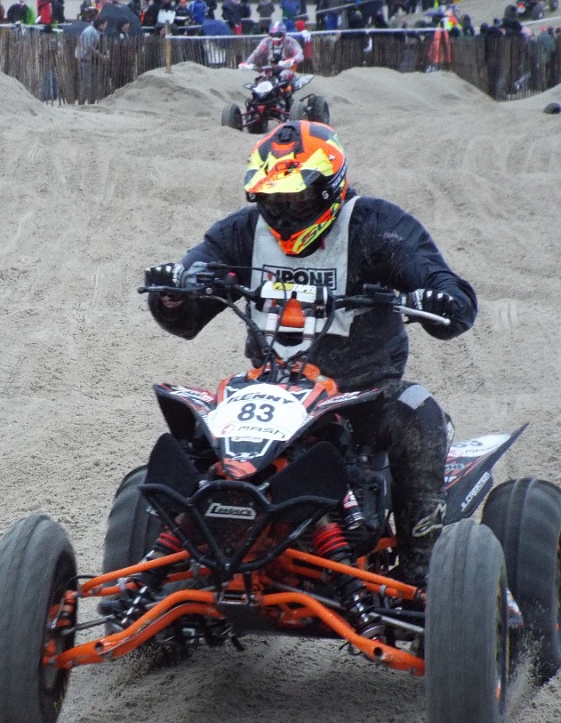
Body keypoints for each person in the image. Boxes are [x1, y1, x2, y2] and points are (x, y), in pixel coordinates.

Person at [138, 121, 477, 592]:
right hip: (268, 387)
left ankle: (425, 571)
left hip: (364, 394)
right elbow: (189, 303)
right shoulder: (241, 231)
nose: (283, 210)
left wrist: (440, 299)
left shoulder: (376, 226)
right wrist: (175, 294)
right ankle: (168, 561)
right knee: (193, 434)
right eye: (272, 198)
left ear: (329, 187)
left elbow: (451, 292)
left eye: (296, 197)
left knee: (420, 413)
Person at [75, 14, 108, 103]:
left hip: (95, 61)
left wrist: (105, 53)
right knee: (86, 84)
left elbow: (102, 44)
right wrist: (101, 55)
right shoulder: (89, 32)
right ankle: (81, 103)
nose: (106, 26)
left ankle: (91, 102)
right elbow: (89, 47)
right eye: (105, 24)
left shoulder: (100, 32)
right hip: (86, 59)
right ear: (100, 24)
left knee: (94, 83)